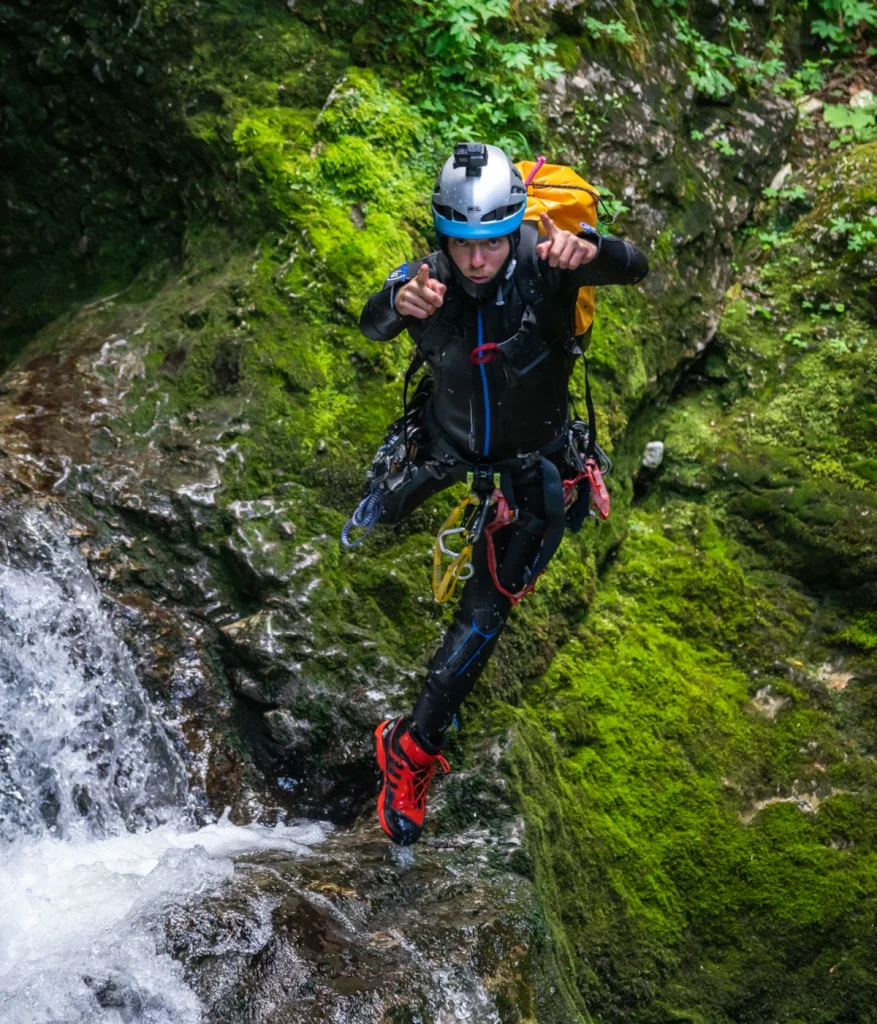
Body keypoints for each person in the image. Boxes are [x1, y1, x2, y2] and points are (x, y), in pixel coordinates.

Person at [358, 142, 648, 846]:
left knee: (485, 615)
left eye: (490, 242)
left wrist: (593, 250)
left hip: (533, 463)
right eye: (462, 244)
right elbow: (371, 322)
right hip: (442, 444)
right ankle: (374, 519)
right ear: (442, 234)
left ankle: (412, 748)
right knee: (367, 529)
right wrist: (397, 303)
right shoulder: (430, 280)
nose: (477, 261)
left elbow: (632, 267)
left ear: (513, 225)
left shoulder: (550, 268)